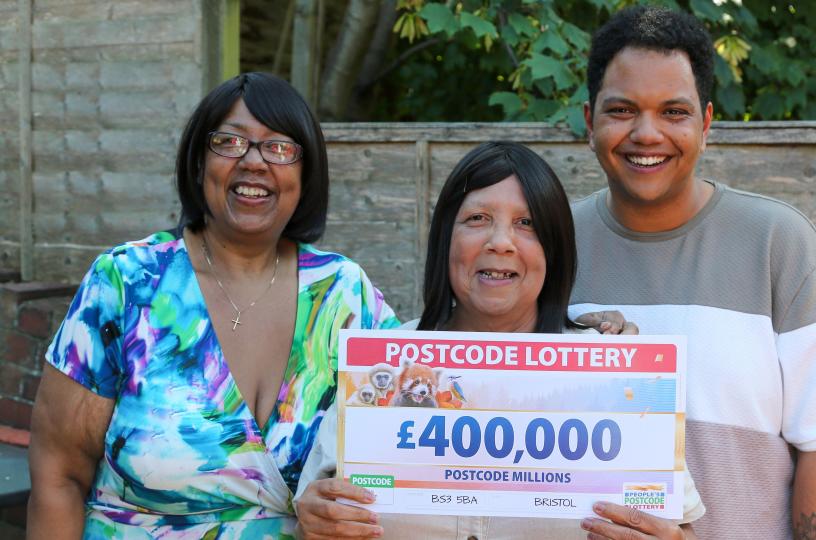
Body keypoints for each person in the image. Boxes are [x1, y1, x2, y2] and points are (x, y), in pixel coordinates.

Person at [26, 72, 398, 538]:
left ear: (306, 175)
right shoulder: (127, 283)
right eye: (229, 142)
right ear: (199, 164)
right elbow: (58, 473)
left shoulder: (345, 295)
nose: (255, 162)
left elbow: (403, 455)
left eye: (280, 147)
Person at [568, 6, 816, 539]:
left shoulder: (780, 246)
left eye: (674, 112)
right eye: (622, 110)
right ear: (589, 120)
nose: (647, 134)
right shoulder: (547, 247)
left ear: (707, 123)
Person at [295, 141, 705, 539]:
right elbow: (320, 513)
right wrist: (313, 521)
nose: (501, 242)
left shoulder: (613, 373)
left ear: (554, 249)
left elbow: (679, 528)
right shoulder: (381, 365)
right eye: (477, 219)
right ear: (445, 240)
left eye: (527, 224)